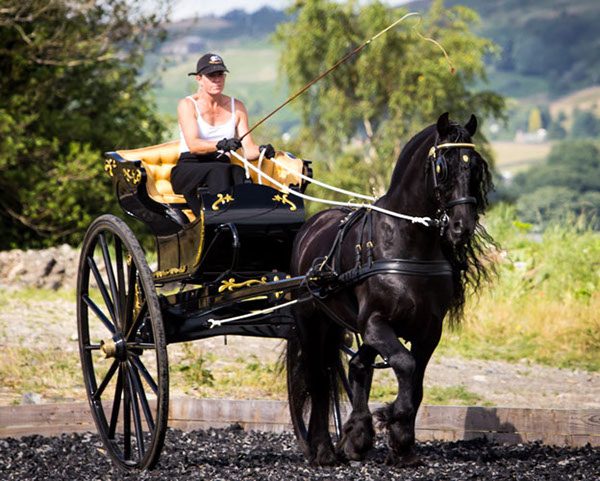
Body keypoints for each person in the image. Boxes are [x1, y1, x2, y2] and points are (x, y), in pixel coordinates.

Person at [171, 53, 276, 215]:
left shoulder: (237, 107)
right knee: (219, 171)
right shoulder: (187, 105)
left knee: (237, 171)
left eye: (220, 74)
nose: (217, 79)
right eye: (211, 75)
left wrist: (262, 150)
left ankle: (247, 219)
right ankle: (216, 220)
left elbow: (248, 150)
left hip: (221, 166)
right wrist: (220, 144)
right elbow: (194, 146)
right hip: (189, 166)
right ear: (199, 79)